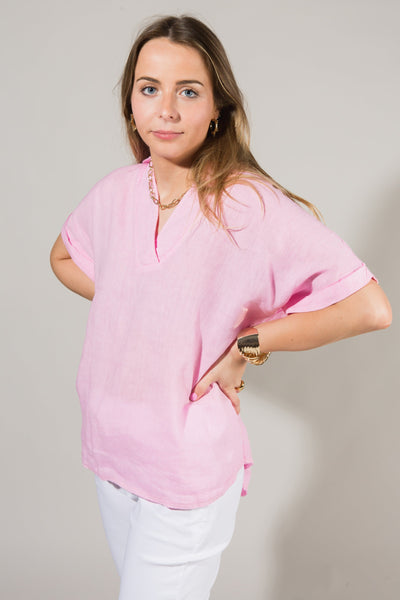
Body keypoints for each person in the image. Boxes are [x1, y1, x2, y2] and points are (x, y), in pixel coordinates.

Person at [49, 14, 391, 600]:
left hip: (184, 471)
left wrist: (246, 348)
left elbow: (370, 307)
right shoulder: (116, 194)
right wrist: (136, 306)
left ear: (217, 108)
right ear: (130, 103)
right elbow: (62, 257)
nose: (166, 109)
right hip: (112, 456)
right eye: (149, 88)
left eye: (188, 92)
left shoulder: (247, 205)